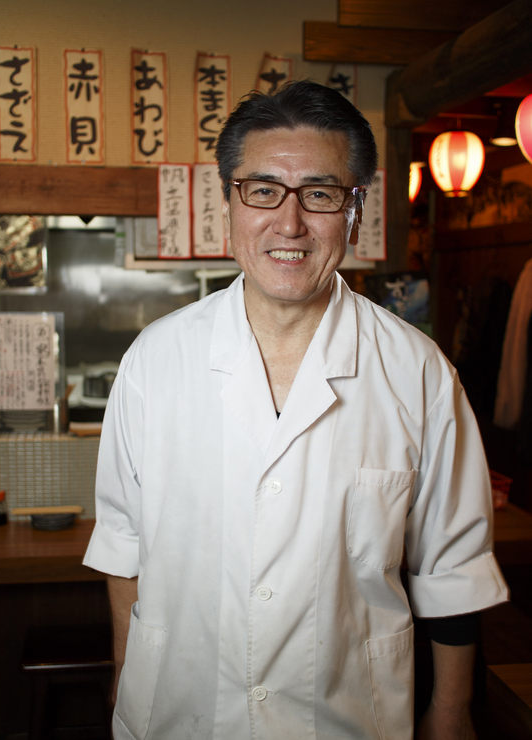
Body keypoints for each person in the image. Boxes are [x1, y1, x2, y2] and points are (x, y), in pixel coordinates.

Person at [83, 81, 508, 740]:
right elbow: (122, 543)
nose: (288, 224)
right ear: (228, 200)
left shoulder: (416, 371)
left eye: (319, 193)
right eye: (262, 190)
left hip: (350, 718)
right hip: (177, 711)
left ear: (355, 208)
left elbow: (450, 569)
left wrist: (449, 712)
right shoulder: (155, 361)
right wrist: (122, 678)